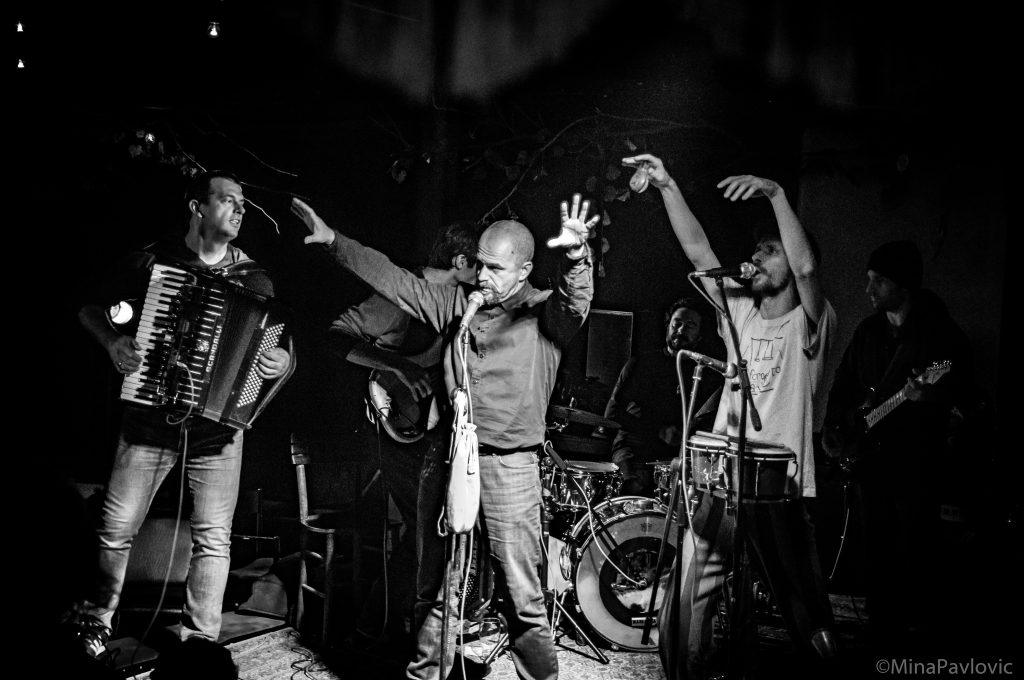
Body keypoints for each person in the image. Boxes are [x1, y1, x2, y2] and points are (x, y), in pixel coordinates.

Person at [291, 193, 596, 680]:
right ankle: (426, 674)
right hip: (446, 457)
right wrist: (334, 242)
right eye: (479, 265)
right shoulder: (457, 305)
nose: (482, 277)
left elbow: (575, 303)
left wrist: (578, 259)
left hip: (509, 466)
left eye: (495, 268)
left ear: (524, 271)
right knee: (434, 587)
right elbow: (397, 281)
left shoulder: (543, 313)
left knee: (522, 597)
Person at [623, 153, 839, 678]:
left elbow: (807, 269)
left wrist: (775, 192)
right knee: (684, 608)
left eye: (770, 250)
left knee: (804, 614)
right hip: (721, 482)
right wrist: (668, 186)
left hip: (780, 489)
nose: (756, 257)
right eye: (757, 248)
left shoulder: (811, 322)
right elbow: (699, 250)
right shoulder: (739, 310)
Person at [74, 170, 292, 657]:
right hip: (149, 420)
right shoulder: (154, 262)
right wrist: (112, 342)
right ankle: (93, 625)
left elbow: (276, 346)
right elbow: (89, 309)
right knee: (116, 529)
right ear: (197, 207)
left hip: (218, 432)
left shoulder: (254, 278)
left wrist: (280, 362)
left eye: (243, 202)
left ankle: (200, 645)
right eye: (229, 200)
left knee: (214, 540)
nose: (240, 209)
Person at [327, 220, 482, 647]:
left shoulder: (457, 303)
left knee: (432, 526)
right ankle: (390, 625)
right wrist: (398, 365)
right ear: (461, 262)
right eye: (479, 265)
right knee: (425, 526)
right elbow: (336, 336)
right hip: (392, 424)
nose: (484, 275)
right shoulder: (399, 298)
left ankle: (398, 623)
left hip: (429, 430)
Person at [822, 240, 972, 653]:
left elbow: (962, 389)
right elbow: (844, 382)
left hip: (914, 460)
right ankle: (881, 626)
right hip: (871, 458)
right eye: (869, 279)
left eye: (879, 281)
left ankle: (916, 635)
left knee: (914, 545)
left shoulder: (939, 334)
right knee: (876, 544)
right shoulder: (869, 332)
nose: (868, 289)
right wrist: (835, 425)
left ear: (903, 284)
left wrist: (931, 395)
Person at [603, 296, 723, 497]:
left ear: (700, 336)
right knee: (635, 486)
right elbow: (611, 415)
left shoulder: (705, 374)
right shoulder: (640, 364)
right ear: (668, 326)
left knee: (699, 493)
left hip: (677, 454)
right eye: (677, 323)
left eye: (690, 325)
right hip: (635, 448)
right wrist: (658, 430)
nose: (681, 329)